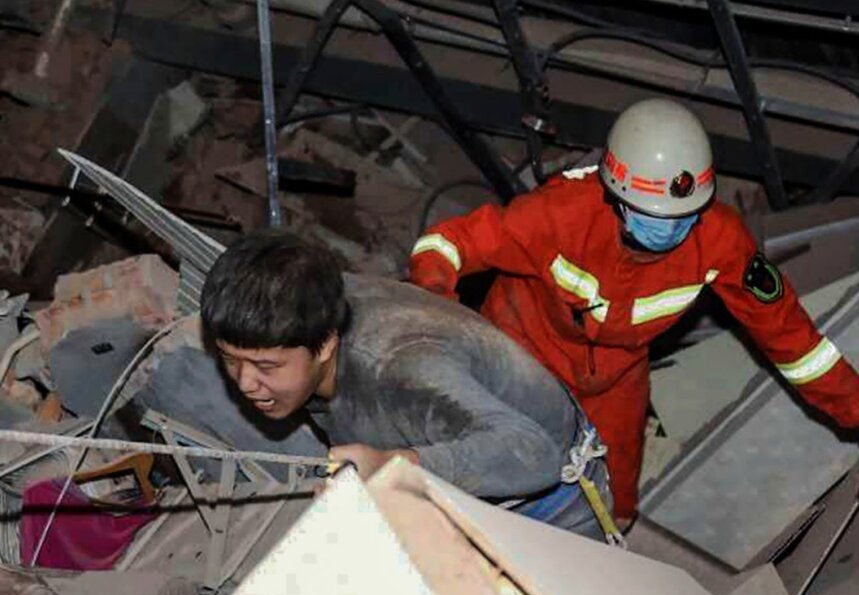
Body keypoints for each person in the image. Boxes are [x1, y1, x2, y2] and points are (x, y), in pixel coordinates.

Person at [408, 98, 859, 526]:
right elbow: (448, 244)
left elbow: (794, 341)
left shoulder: (719, 240)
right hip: (519, 355)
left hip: (616, 378)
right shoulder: (559, 216)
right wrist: (441, 314)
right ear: (616, 196)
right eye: (655, 215)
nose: (672, 229)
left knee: (615, 498)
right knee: (492, 462)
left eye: (684, 216)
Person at [196, 230, 615, 539]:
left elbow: (533, 453)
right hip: (473, 480)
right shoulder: (303, 303)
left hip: (552, 507)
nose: (245, 382)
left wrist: (394, 466)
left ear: (324, 345)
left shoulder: (401, 371)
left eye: (266, 366)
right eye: (230, 359)